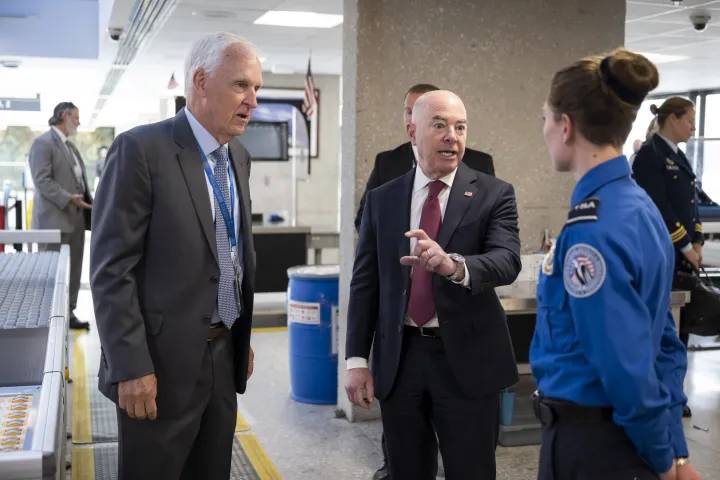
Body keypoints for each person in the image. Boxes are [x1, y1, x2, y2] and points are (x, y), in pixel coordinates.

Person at [90, 32, 261, 480]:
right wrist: (131, 367)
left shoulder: (237, 156)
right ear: (201, 82)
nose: (253, 101)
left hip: (222, 356)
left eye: (256, 89)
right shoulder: (141, 150)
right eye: (241, 86)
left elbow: (230, 251)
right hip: (157, 368)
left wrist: (238, 331)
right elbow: (112, 270)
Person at [530, 48, 702, 480]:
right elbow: (663, 343)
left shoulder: (593, 231)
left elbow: (624, 369)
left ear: (566, 127)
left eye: (546, 120)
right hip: (623, 442)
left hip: (593, 449)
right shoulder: (640, 208)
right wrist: (676, 453)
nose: (545, 131)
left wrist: (663, 460)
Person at [345, 90, 521, 480]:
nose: (452, 137)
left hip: (468, 362)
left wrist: (453, 266)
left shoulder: (494, 193)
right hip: (401, 358)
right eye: (439, 125)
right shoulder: (382, 199)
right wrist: (356, 360)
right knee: (406, 470)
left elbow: (507, 260)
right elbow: (365, 283)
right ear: (412, 132)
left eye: (460, 127)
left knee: (471, 471)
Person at [354, 83, 495, 233]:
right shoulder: (387, 162)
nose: (412, 118)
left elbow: (494, 235)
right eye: (409, 112)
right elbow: (364, 220)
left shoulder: (479, 163)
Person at [28, 101, 92, 330]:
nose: (78, 122)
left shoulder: (70, 147)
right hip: (53, 221)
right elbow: (42, 180)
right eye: (76, 117)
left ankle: (69, 313)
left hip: (74, 219)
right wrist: (68, 197)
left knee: (74, 270)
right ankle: (49, 316)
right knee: (51, 274)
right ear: (64, 115)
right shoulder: (42, 144)